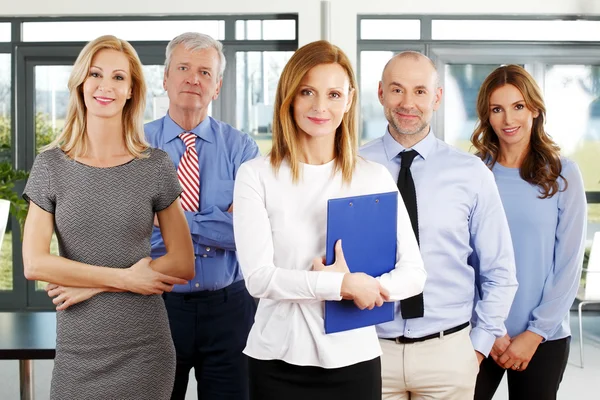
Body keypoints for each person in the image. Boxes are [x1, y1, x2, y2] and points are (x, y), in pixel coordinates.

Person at [232, 40, 426, 400]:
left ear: (349, 100)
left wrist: (368, 287)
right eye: (308, 91)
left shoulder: (373, 178)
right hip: (276, 361)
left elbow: (414, 274)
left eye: (334, 94)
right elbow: (259, 280)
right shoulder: (255, 176)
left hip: (355, 361)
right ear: (289, 96)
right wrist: (342, 286)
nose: (321, 107)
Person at [22, 35, 195, 400]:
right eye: (96, 74)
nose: (106, 86)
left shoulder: (155, 166)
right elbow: (34, 263)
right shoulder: (51, 166)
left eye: (119, 78)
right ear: (81, 82)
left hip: (145, 350)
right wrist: (126, 278)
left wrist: (94, 284)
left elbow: (182, 263)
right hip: (77, 352)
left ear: (132, 90)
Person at [360, 51, 518, 400]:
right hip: (369, 351)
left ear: (437, 97)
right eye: (397, 89)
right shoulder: (352, 166)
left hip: (449, 353)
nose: (407, 102)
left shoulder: (470, 173)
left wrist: (476, 348)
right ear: (381, 93)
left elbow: (500, 271)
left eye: (420, 91)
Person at [144, 32, 260, 400]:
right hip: (156, 308)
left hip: (230, 309)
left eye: (205, 72)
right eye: (183, 68)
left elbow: (248, 231)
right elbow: (129, 230)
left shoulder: (242, 148)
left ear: (218, 86)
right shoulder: (135, 146)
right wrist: (216, 218)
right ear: (165, 79)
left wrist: (166, 216)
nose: (193, 78)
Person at [471, 64, 586, 400]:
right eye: (497, 109)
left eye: (518, 106)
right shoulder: (474, 173)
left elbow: (567, 265)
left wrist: (535, 332)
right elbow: (463, 260)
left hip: (543, 338)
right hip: (482, 333)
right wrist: (488, 329)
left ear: (534, 110)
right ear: (487, 116)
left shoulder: (564, 174)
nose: (508, 119)